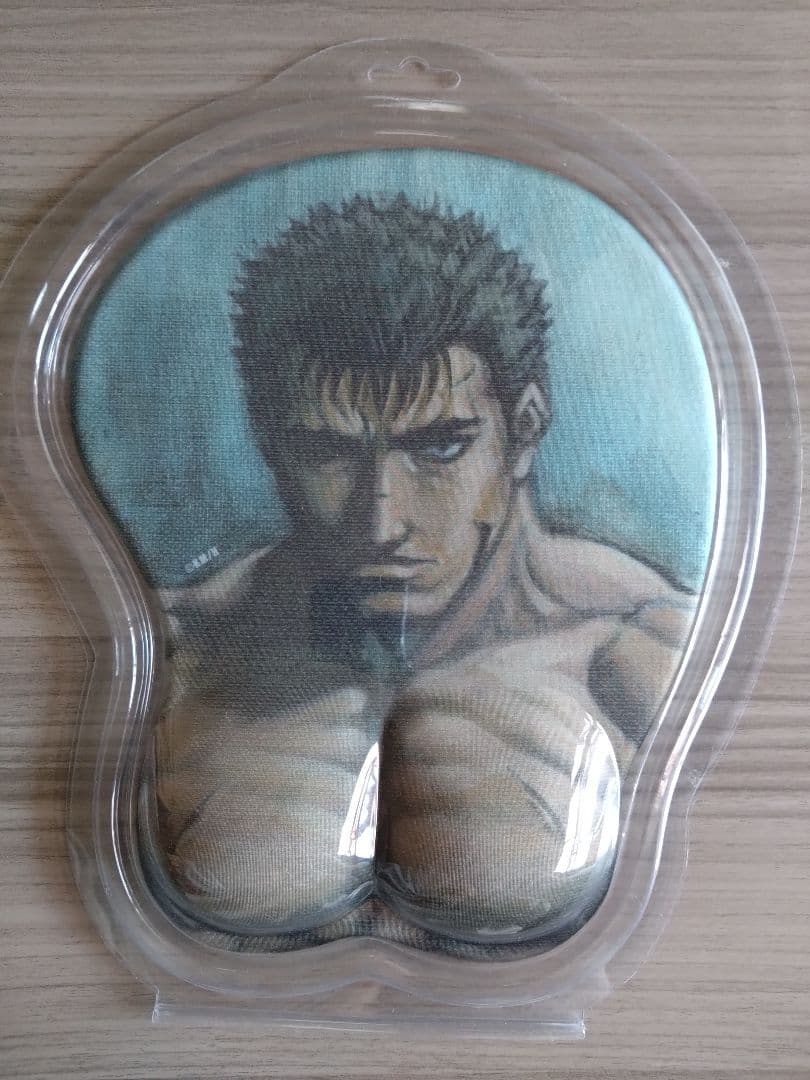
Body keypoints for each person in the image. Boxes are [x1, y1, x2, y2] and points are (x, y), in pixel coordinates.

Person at [143, 194, 695, 954]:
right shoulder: (181, 645)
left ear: (524, 430)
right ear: (271, 442)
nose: (381, 523)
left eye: (438, 448)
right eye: (328, 453)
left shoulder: (637, 652)